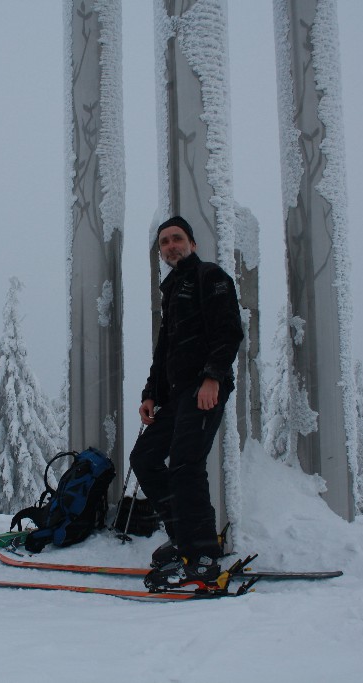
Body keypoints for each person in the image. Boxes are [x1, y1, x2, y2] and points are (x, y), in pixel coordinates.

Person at [131, 215, 243, 592]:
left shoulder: (209, 276)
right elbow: (165, 351)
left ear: (192, 244)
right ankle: (183, 537)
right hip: (178, 395)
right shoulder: (172, 288)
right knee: (145, 458)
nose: (170, 246)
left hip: (204, 387)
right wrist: (150, 394)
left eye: (177, 239)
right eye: (164, 242)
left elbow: (229, 329)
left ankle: (205, 556)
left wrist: (212, 377)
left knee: (185, 464)